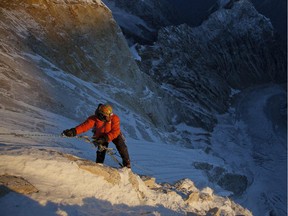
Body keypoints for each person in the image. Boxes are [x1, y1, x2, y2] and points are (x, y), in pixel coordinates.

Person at [62, 103, 131, 168]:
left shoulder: (114, 118)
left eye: (110, 115)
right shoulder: (94, 119)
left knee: (122, 146)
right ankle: (99, 165)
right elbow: (84, 127)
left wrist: (106, 138)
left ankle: (127, 164)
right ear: (101, 115)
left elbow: (115, 131)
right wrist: (73, 131)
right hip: (101, 136)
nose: (109, 117)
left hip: (113, 134)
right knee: (101, 150)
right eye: (107, 116)